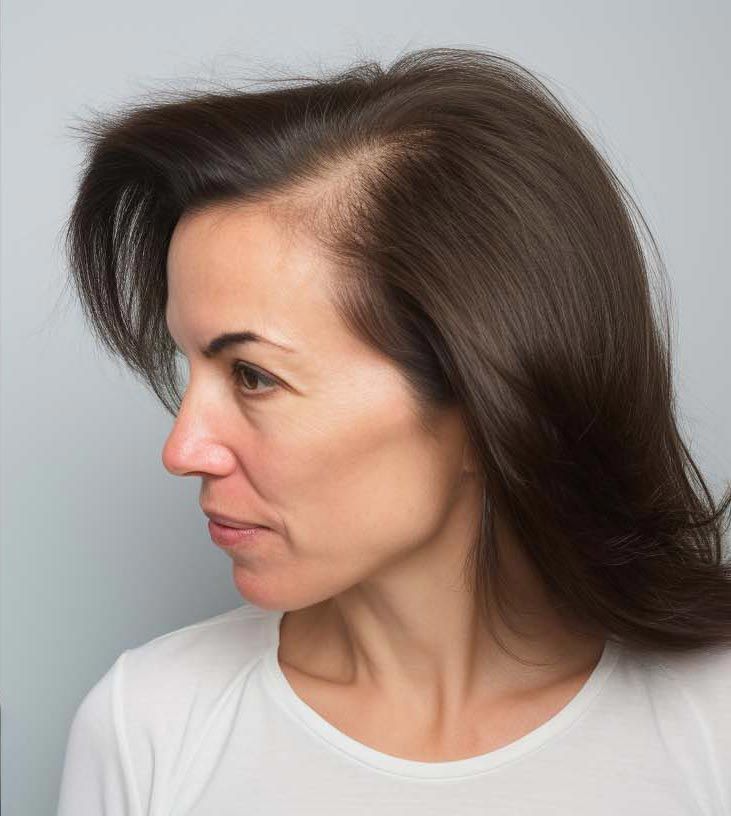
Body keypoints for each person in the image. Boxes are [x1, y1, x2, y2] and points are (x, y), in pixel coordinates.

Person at [57, 47, 731, 814]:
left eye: (252, 375)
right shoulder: (149, 726)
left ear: (484, 399)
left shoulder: (713, 725)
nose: (182, 450)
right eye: (191, 371)